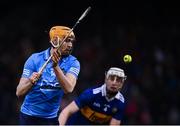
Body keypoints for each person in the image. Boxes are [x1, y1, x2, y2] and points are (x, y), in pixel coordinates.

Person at [16, 26, 80, 125]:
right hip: (28, 117)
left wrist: (55, 67)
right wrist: (30, 82)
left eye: (72, 41)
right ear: (55, 41)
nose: (70, 45)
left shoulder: (73, 62)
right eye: (67, 41)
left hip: (51, 119)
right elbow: (19, 92)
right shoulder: (34, 59)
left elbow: (69, 89)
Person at [59, 67, 127, 125]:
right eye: (111, 78)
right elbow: (66, 112)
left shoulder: (120, 103)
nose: (114, 82)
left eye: (118, 80)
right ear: (106, 79)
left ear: (122, 84)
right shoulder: (91, 94)